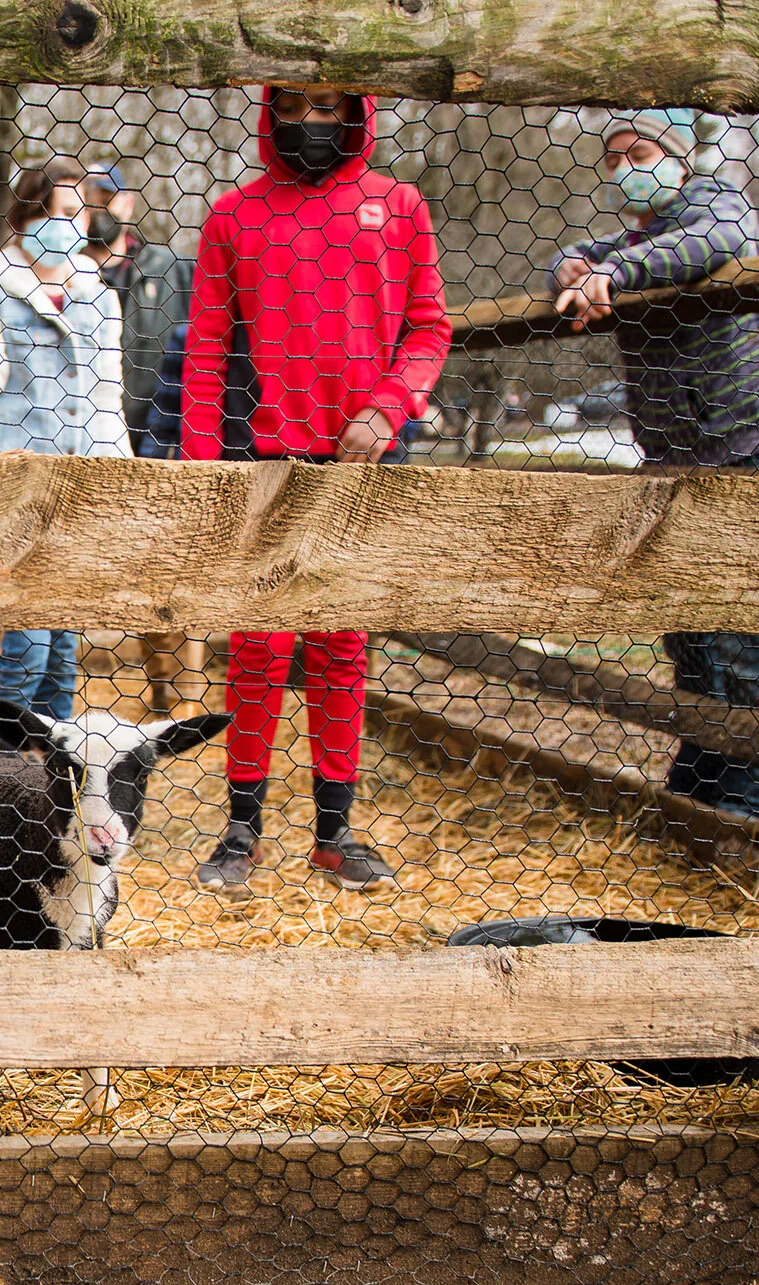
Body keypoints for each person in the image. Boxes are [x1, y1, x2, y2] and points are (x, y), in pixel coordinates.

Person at [183, 87, 450, 893]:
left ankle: (335, 837)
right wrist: (204, 477)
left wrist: (389, 406)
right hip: (264, 465)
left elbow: (430, 328)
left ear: (359, 111)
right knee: (258, 653)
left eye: (331, 106)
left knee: (342, 650)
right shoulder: (235, 216)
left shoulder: (398, 205)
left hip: (362, 467)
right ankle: (240, 834)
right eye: (296, 105)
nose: (314, 122)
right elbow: (205, 349)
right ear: (271, 111)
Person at [553, 112, 759, 856]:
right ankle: (699, 802)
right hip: (678, 461)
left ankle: (753, 825)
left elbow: (716, 244)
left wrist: (614, 274)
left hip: (752, 450)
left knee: (746, 642)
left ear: (679, 155)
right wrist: (573, 269)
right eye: (613, 159)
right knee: (694, 644)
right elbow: (578, 254)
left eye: (639, 152)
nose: (625, 167)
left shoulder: (717, 200)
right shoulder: (630, 241)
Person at [0, 157, 127, 749]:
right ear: (28, 213)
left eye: (79, 213)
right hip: (19, 502)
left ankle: (49, 783)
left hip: (79, 501)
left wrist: (118, 488)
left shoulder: (97, 297)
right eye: (60, 211)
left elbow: (106, 401)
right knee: (27, 646)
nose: (70, 224)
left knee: (65, 650)